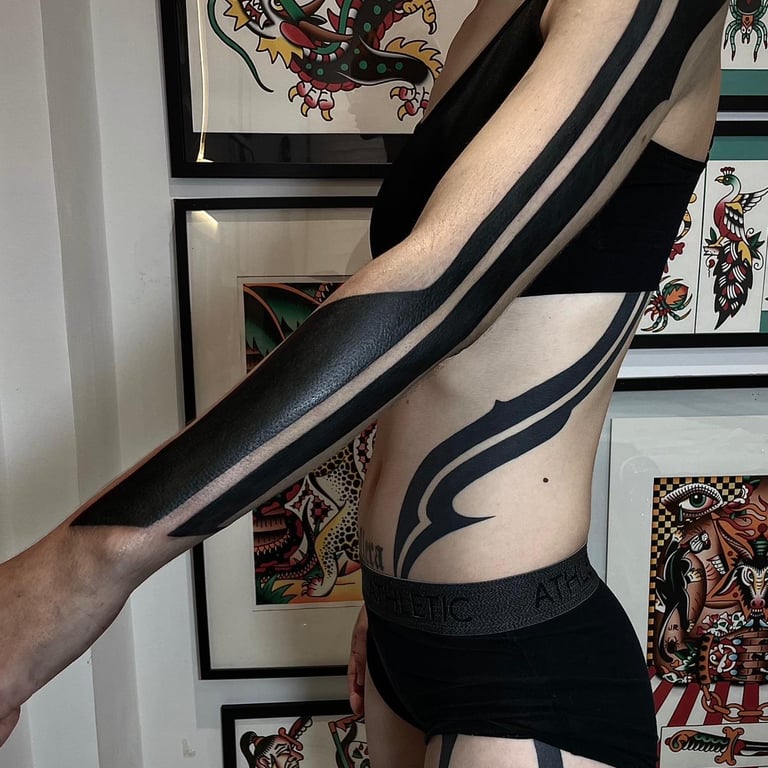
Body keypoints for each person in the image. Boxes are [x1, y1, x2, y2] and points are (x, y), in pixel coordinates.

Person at [0, 0, 727, 765]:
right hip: (396, 639)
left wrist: (77, 571)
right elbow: (426, 374)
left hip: (522, 665)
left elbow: (440, 292)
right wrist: (393, 589)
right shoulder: (495, 12)